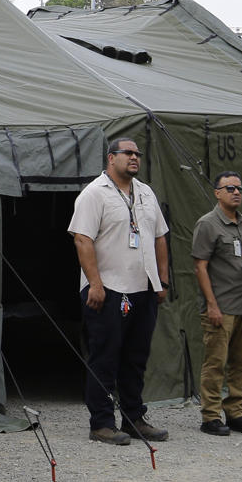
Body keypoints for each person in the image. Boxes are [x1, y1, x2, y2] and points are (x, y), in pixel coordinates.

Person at [68, 138, 170, 444]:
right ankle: (101, 423)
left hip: (143, 288)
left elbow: (160, 237)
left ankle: (133, 418)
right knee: (105, 357)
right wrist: (95, 284)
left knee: (136, 357)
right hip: (109, 289)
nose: (135, 157)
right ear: (111, 158)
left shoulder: (146, 192)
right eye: (128, 153)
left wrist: (161, 280)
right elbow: (82, 240)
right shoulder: (94, 194)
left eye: (138, 153)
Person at [193, 170, 242, 435]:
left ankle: (235, 412)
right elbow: (200, 267)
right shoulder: (207, 224)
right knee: (216, 362)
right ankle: (210, 416)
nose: (236, 192)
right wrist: (211, 305)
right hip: (221, 306)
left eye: (239, 188)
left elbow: (240, 261)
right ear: (217, 193)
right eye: (229, 188)